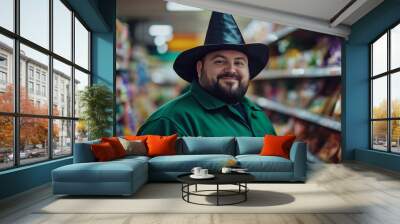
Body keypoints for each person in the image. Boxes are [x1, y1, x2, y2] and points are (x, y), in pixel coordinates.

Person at [137, 11, 276, 137]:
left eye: (239, 63)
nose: (231, 69)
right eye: (220, 61)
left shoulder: (257, 114)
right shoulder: (170, 122)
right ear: (199, 68)